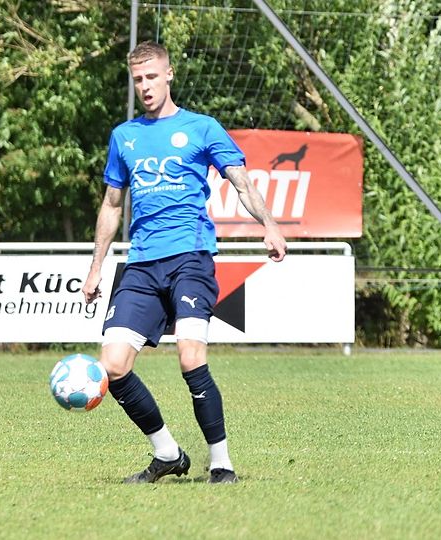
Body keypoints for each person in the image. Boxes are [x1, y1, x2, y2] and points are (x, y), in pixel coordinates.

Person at [82, 41, 287, 484]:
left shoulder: (202, 127)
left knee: (191, 357)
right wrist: (96, 267)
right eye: (138, 79)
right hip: (141, 264)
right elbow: (112, 205)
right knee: (112, 365)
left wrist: (269, 225)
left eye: (152, 77)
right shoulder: (124, 136)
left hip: (190, 259)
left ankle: (221, 463)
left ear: (169, 75)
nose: (145, 86)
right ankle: (168, 454)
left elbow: (242, 183)